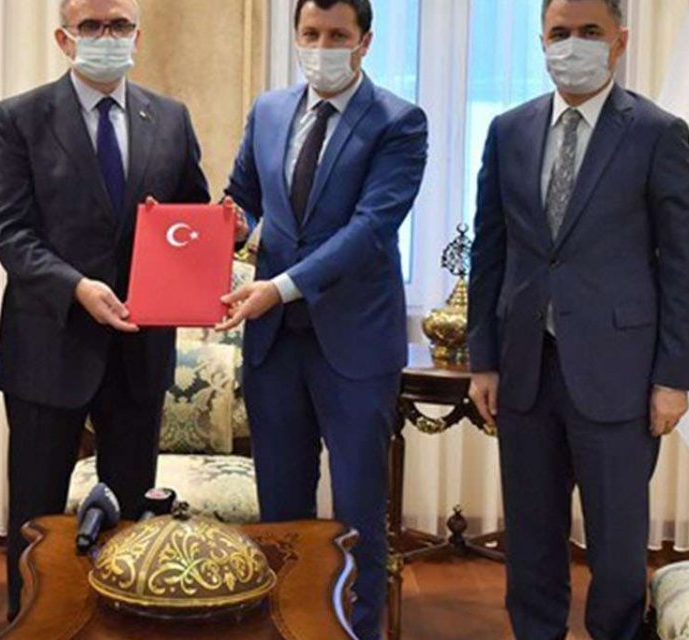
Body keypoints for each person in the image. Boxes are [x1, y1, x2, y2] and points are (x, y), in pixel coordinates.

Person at [467, 0, 689, 638]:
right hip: (525, 370)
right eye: (560, 32)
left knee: (618, 552)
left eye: (590, 32)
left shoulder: (657, 132)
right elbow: (488, 252)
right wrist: (483, 360)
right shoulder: (508, 130)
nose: (573, 44)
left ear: (620, 41)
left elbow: (685, 265)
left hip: (620, 376)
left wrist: (674, 377)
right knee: (530, 544)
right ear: (541, 40)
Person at [0, 0, 211, 620]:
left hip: (139, 346)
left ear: (137, 34)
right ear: (64, 38)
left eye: (119, 25)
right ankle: (33, 623)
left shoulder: (170, 117)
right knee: (38, 516)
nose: (106, 36)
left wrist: (222, 230)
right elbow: (7, 229)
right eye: (91, 25)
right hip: (49, 343)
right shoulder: (19, 118)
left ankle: (121, 622)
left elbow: (191, 215)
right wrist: (77, 286)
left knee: (132, 517)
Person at [220, 0, 428, 637]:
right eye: (310, 33)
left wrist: (280, 288)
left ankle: (357, 629)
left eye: (338, 35)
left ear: (365, 41)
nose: (322, 47)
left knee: (359, 508)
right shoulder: (268, 110)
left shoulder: (399, 121)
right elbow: (243, 199)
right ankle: (286, 623)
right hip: (274, 344)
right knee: (281, 508)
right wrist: (221, 227)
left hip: (355, 344)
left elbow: (369, 229)